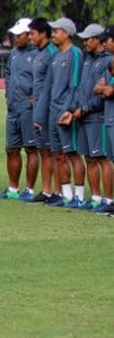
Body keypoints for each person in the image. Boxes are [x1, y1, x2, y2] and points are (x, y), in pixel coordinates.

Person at [0, 18, 39, 201]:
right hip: (13, 108)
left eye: (19, 35)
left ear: (29, 35)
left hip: (29, 109)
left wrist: (35, 96)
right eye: (14, 35)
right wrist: (7, 94)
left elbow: (43, 77)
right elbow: (8, 74)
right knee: (11, 149)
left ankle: (29, 190)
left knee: (30, 148)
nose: (16, 38)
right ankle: (13, 188)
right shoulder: (13, 53)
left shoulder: (38, 53)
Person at [43, 18, 86, 208]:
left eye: (57, 31)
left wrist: (68, 109)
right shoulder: (56, 56)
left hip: (65, 112)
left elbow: (75, 85)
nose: (53, 34)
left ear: (67, 33)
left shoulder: (75, 54)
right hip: (53, 113)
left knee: (73, 154)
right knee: (58, 155)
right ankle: (66, 196)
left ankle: (79, 196)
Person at [75, 24, 111, 211]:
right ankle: (96, 197)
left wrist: (86, 108)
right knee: (89, 157)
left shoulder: (107, 60)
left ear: (97, 39)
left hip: (97, 116)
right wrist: (77, 108)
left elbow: (102, 93)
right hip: (83, 116)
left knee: (102, 158)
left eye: (87, 39)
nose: (85, 43)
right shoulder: (87, 59)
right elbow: (83, 87)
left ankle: (108, 199)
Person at [29, 17, 60, 204]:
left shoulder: (51, 53)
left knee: (53, 151)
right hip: (37, 108)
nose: (30, 36)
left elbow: (51, 85)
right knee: (43, 151)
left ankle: (58, 190)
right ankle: (47, 191)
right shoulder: (38, 53)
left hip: (48, 110)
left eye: (33, 33)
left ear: (43, 34)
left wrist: (43, 104)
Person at [95, 25, 114, 214]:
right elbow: (98, 88)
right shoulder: (110, 62)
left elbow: (107, 90)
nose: (103, 43)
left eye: (106, 39)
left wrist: (105, 89)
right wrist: (104, 89)